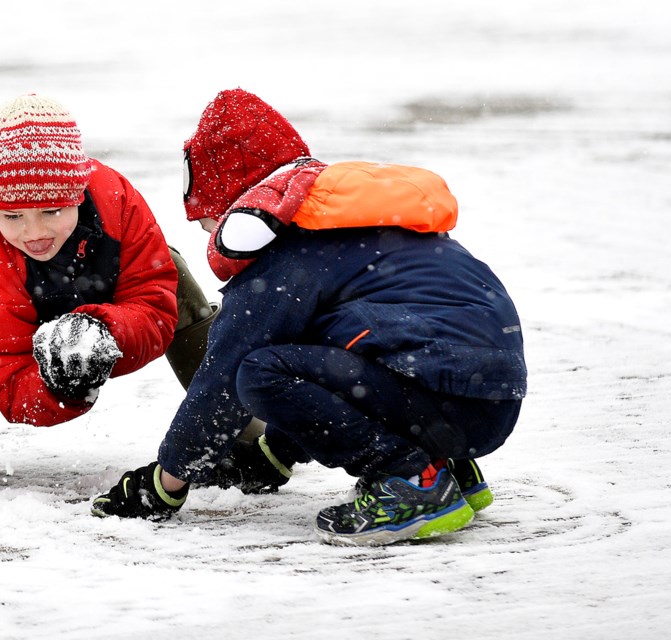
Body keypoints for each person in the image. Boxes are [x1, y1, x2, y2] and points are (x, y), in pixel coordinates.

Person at [91, 88, 527, 546]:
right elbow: (325, 364)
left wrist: (164, 483)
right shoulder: (341, 222)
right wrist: (273, 455)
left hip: (442, 393)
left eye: (207, 220)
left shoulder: (285, 254)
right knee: (328, 344)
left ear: (237, 209)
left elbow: (221, 379)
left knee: (258, 372)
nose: (204, 233)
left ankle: (411, 480)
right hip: (485, 401)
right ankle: (450, 468)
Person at [0, 93, 217, 489]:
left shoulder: (117, 201)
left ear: (77, 195)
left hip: (68, 294)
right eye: (13, 216)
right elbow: (8, 374)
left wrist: (104, 334)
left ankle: (231, 430)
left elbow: (154, 308)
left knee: (170, 269)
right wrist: (63, 387)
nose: (34, 232)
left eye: (53, 211)